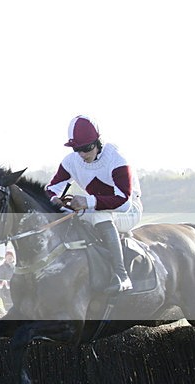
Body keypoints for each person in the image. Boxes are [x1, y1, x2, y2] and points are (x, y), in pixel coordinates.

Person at [45, 115, 143, 294]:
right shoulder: (70, 161)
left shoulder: (117, 159)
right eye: (77, 149)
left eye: (86, 148)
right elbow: (51, 189)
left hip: (128, 211)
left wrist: (88, 201)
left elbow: (124, 202)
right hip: (97, 208)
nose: (82, 154)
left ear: (98, 142)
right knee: (67, 214)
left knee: (98, 214)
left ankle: (122, 276)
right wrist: (54, 200)